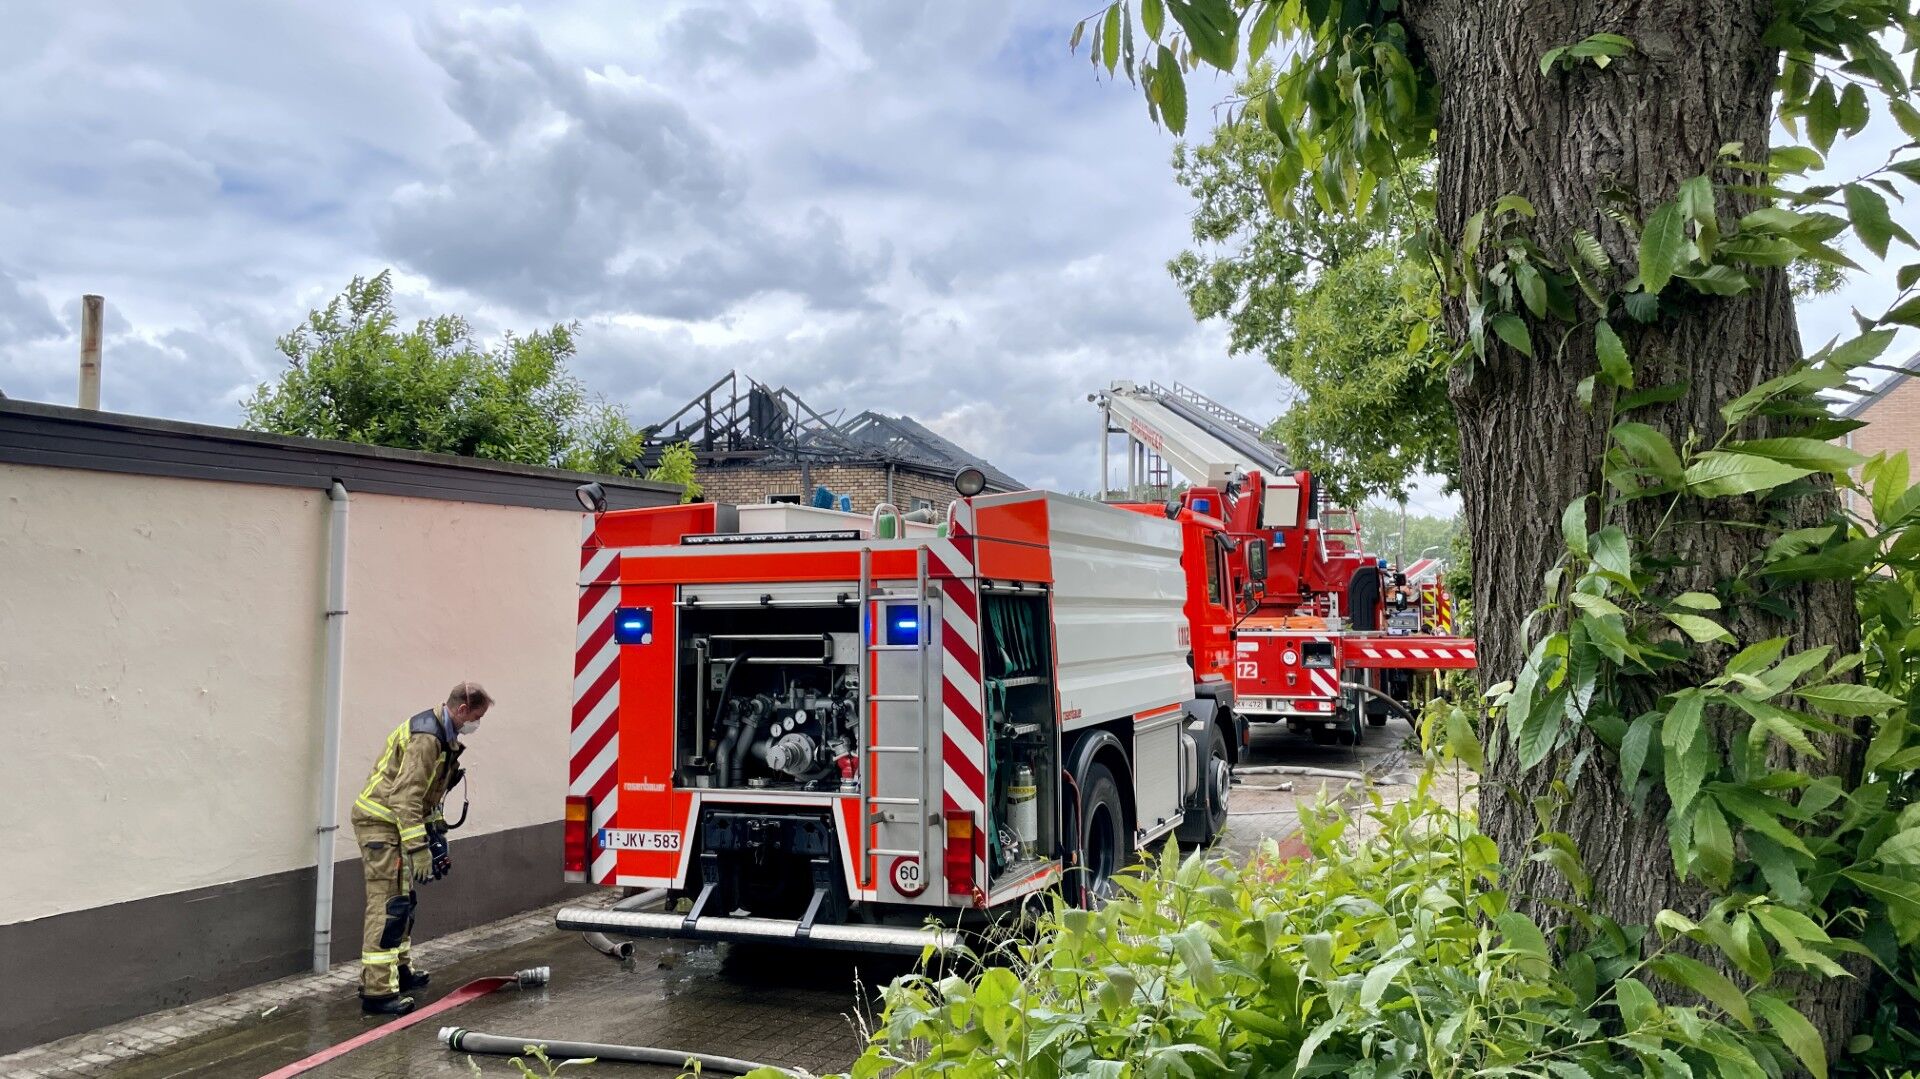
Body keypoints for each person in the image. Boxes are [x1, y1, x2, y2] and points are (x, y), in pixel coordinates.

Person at [350, 682, 488, 1015]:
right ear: (462, 709)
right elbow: (404, 797)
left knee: (404, 900)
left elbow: (428, 797)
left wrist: (436, 836)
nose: (477, 724)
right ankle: (377, 993)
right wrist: (418, 848)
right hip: (381, 823)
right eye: (476, 717)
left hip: (395, 824)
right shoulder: (428, 738)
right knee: (388, 905)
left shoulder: (443, 738)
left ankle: (400, 971)